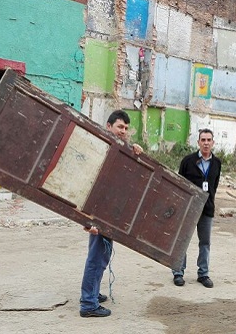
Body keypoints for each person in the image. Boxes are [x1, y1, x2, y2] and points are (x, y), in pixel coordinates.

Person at [80, 109, 143, 318]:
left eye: (125, 128)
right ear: (108, 126)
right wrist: (87, 219)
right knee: (96, 258)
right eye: (119, 127)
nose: (123, 131)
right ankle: (88, 304)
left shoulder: (119, 148)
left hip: (110, 213)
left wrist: (134, 151)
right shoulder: (99, 145)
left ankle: (93, 293)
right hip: (98, 213)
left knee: (102, 256)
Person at [172, 128, 222, 288]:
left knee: (205, 243)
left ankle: (203, 274)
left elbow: (214, 186)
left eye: (209, 140)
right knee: (183, 241)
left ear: (213, 143)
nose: (206, 143)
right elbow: (180, 184)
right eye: (203, 140)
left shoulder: (217, 163)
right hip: (188, 209)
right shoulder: (188, 161)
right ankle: (178, 272)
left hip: (206, 209)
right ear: (198, 142)